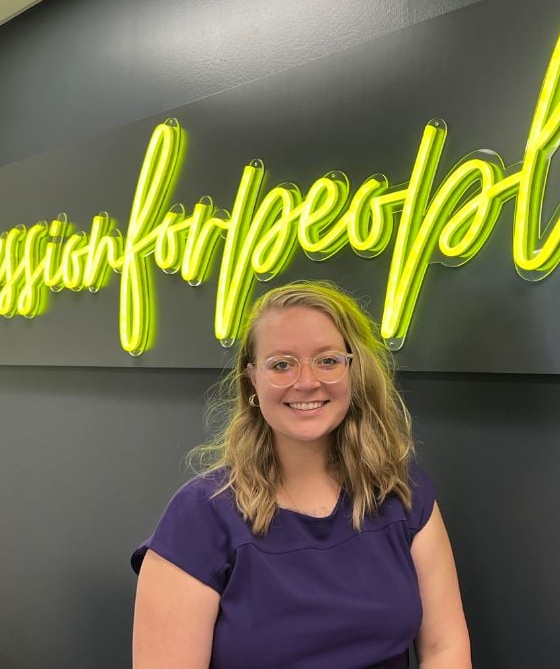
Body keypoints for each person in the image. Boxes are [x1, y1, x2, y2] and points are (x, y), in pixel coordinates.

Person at [131, 280, 471, 668]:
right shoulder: (199, 517)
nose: (306, 381)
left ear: (352, 371)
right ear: (252, 380)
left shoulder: (401, 491)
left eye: (327, 360)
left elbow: (446, 647)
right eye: (281, 364)